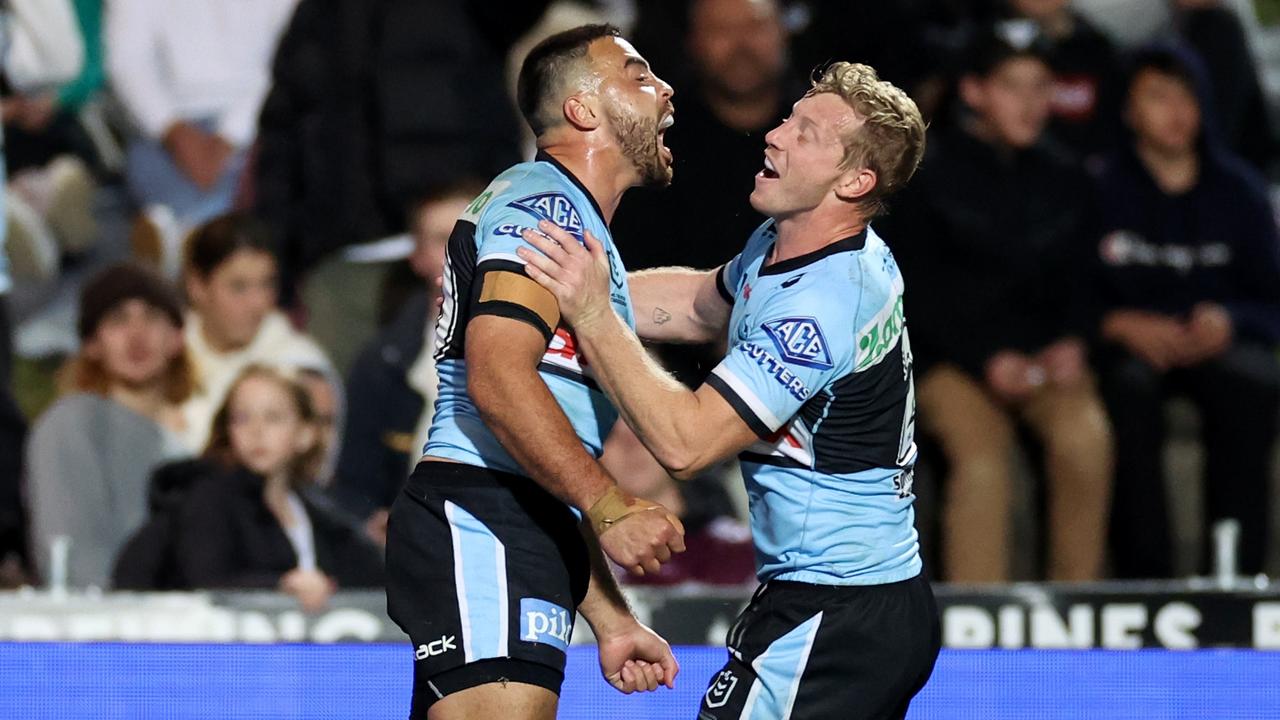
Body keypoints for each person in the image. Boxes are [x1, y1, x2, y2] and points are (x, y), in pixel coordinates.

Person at [517, 60, 940, 719]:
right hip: (852, 602)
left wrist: (594, 312)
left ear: (856, 180)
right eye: (789, 119)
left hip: (837, 612)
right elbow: (697, 304)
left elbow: (686, 444)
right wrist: (544, 296)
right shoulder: (795, 242)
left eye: (806, 135)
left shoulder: (822, 305)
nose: (774, 135)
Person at [383, 25, 685, 719]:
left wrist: (609, 618)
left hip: (505, 517)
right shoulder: (545, 209)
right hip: (480, 516)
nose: (666, 90)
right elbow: (498, 381)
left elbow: (539, 463)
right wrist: (611, 506)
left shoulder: (568, 222)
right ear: (582, 110)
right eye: (639, 76)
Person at [879, 29, 1113, 583]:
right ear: (975, 91)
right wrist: (985, 358)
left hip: (1045, 362)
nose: (1031, 104)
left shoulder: (1069, 175)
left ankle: (1075, 616)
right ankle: (978, 632)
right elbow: (911, 292)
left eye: (1041, 88)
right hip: (953, 366)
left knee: (1086, 440)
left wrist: (1076, 341)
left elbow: (1091, 280)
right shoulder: (924, 175)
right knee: (983, 465)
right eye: (1013, 87)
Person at [1095, 45, 1280, 578]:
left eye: (1187, 96)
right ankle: (1144, 581)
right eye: (1158, 97)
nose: (1176, 111)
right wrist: (1119, 324)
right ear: (1129, 112)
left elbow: (1271, 300)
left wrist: (1230, 319)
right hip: (1131, 348)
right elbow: (1071, 296)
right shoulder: (1101, 188)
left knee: (1254, 383)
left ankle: (1237, 576)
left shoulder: (1240, 190)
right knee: (1128, 391)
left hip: (1219, 345)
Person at [26, 264, 193, 587]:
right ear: (92, 344)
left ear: (177, 337)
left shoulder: (214, 428)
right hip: (112, 627)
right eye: (117, 320)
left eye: (152, 317)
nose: (137, 335)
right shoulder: (73, 424)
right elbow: (72, 560)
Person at [105, 0, 298, 272]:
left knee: (269, 172)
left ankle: (189, 238)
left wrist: (230, 136)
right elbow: (128, 64)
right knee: (147, 165)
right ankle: (200, 242)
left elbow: (290, 54)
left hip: (259, 117)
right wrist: (173, 130)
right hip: (168, 130)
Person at [331, 186, 476, 545]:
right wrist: (372, 521)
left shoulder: (541, 348)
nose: (461, 250)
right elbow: (353, 485)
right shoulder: (382, 362)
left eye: (473, 235)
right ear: (418, 257)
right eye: (444, 239)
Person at [170, 365, 381, 610]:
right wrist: (279, 587)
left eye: (273, 418)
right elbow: (205, 582)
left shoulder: (320, 513)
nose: (256, 431)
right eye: (242, 418)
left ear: (305, 433)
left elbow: (372, 576)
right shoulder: (208, 499)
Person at [180, 212, 334, 450]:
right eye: (239, 286)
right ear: (197, 286)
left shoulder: (299, 366)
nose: (258, 303)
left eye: (267, 283)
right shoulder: (164, 355)